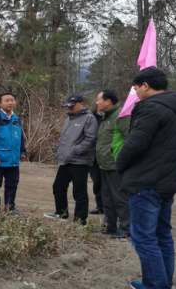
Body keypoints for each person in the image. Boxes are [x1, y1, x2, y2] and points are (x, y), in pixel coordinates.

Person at [115, 67, 176, 289]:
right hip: (168, 179)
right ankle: (161, 283)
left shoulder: (151, 107)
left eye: (136, 88)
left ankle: (156, 286)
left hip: (147, 181)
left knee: (143, 238)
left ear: (146, 86)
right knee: (161, 235)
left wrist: (120, 164)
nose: (136, 92)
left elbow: (136, 142)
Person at [44, 94, 97, 225]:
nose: (70, 109)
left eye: (72, 106)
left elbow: (90, 140)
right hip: (65, 160)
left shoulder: (89, 118)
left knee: (79, 191)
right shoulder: (68, 119)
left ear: (81, 104)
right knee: (58, 186)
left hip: (80, 161)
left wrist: (75, 151)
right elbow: (66, 139)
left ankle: (80, 220)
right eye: (68, 106)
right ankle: (61, 213)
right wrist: (59, 149)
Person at [95, 89, 131, 239]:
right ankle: (110, 226)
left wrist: (120, 159)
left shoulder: (121, 115)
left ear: (108, 101)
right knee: (107, 198)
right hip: (104, 164)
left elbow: (129, 138)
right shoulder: (106, 117)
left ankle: (126, 229)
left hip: (115, 164)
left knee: (120, 198)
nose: (96, 103)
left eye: (99, 100)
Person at [89, 106, 104, 215]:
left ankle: (110, 207)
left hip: (107, 155)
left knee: (108, 183)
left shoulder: (114, 117)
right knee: (97, 182)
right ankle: (100, 206)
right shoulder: (91, 117)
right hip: (93, 155)